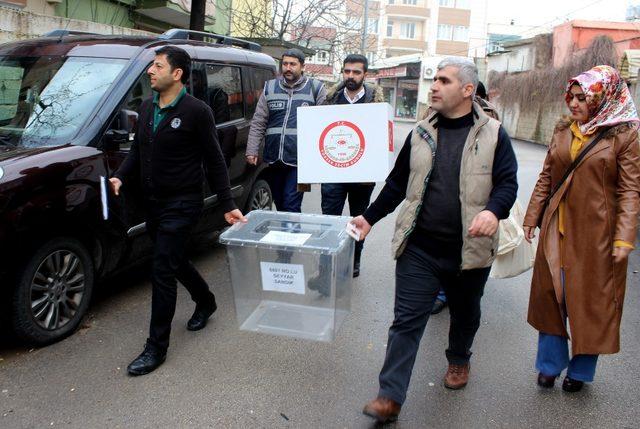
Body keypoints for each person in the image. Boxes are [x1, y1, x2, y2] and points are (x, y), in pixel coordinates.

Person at [351, 57, 518, 423]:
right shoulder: (421, 132)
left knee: (465, 313)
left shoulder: (493, 134)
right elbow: (396, 184)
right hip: (420, 246)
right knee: (406, 321)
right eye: (435, 79)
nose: (435, 86)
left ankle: (459, 358)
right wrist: (369, 218)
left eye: (444, 80)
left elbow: (508, 183)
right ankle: (390, 397)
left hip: (468, 251)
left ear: (467, 90)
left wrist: (493, 211)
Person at [110, 46, 246, 376]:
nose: (150, 71)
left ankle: (156, 347)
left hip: (183, 204)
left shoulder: (196, 111)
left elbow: (215, 160)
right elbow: (138, 152)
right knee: (173, 260)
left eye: (157, 66)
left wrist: (228, 205)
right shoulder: (145, 108)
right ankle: (206, 300)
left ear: (177, 74)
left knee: (161, 270)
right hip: (152, 203)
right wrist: (119, 176)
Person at [523, 65, 640, 392]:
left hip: (598, 237)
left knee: (590, 304)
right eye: (570, 97)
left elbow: (630, 190)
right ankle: (549, 365)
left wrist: (624, 238)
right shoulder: (563, 131)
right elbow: (547, 176)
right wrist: (532, 217)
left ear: (603, 99)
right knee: (551, 298)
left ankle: (581, 371)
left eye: (582, 98)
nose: (573, 104)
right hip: (556, 229)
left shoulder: (625, 136)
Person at [321, 53, 383, 277]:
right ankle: (326, 265)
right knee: (329, 220)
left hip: (363, 175)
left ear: (365, 74)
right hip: (333, 172)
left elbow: (381, 138)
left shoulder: (376, 103)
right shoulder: (330, 99)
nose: (351, 75)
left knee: (359, 219)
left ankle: (354, 261)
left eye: (356, 72)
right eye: (347, 71)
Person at [246, 48, 327, 213]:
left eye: (293, 64)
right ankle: (287, 235)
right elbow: (259, 121)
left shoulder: (316, 88)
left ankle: (292, 236)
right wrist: (252, 149)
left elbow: (324, 125)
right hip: (274, 158)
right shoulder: (270, 87)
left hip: (301, 162)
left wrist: (318, 163)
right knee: (280, 203)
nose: (288, 68)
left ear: (302, 66)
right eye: (285, 64)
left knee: (291, 204)